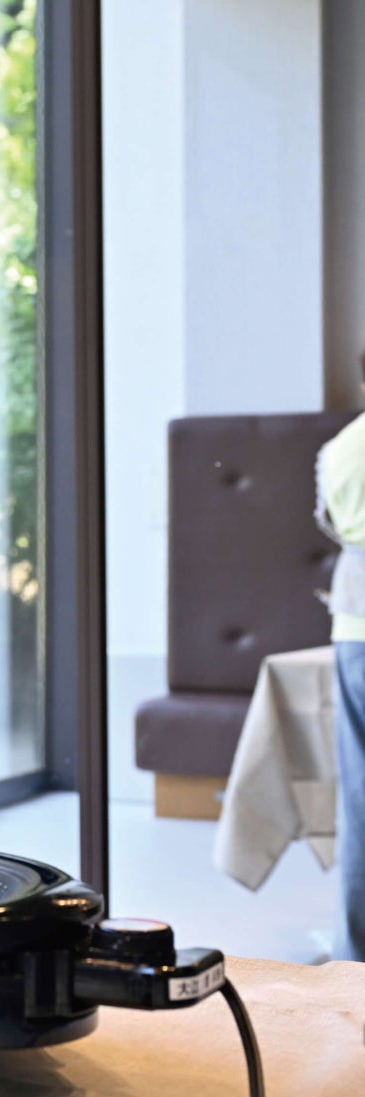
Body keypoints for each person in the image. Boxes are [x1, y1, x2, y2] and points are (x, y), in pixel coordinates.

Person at [316, 369, 365, 962]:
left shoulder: (339, 448)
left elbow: (330, 523)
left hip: (353, 621)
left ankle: (355, 957)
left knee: (357, 800)